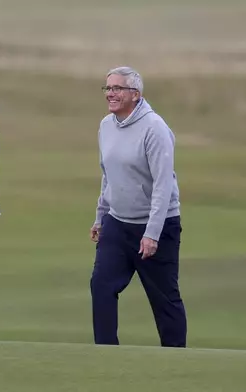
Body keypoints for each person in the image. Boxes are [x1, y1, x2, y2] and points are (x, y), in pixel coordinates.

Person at [89, 66, 187, 348]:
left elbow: (162, 185)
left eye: (117, 88)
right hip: (117, 224)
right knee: (102, 286)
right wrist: (100, 218)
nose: (110, 94)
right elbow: (108, 175)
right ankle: (105, 353)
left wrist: (152, 233)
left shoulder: (155, 128)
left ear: (135, 94)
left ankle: (177, 359)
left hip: (157, 226)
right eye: (108, 88)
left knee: (164, 298)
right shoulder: (106, 126)